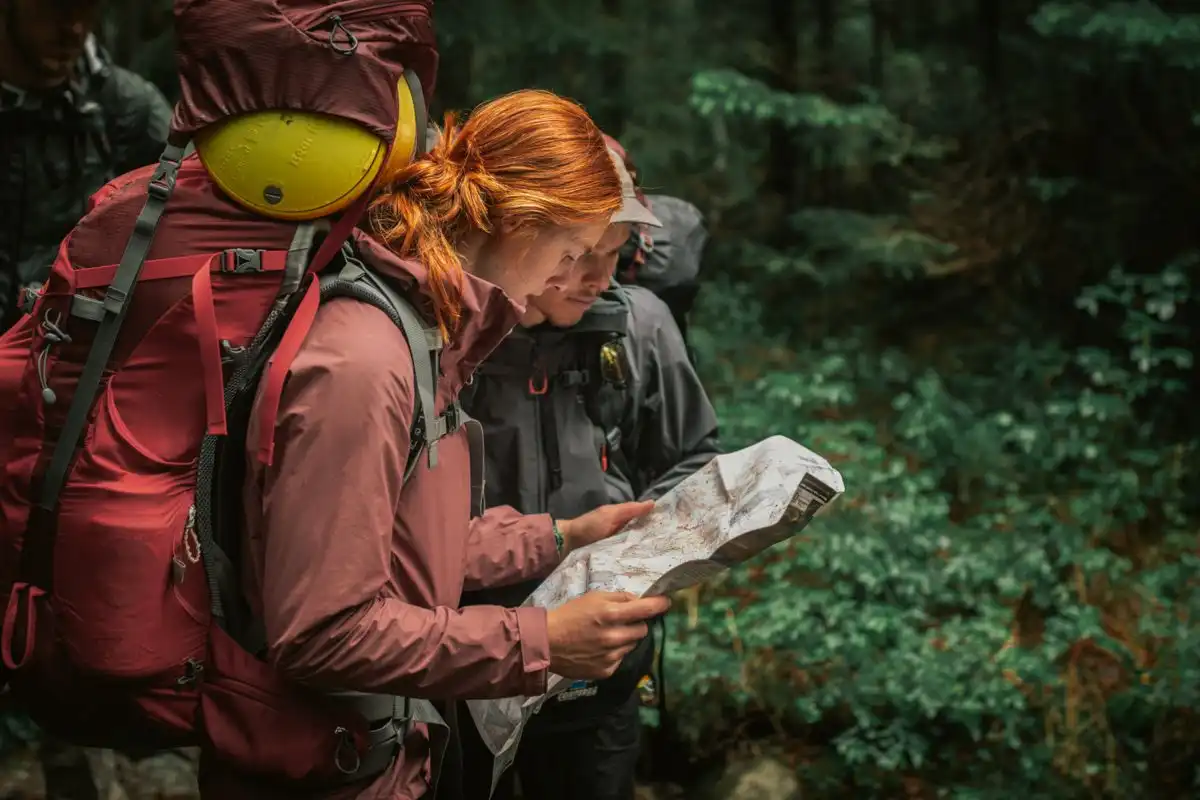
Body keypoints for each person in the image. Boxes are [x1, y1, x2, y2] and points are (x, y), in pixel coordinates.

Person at [191, 91, 674, 800]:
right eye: (573, 249)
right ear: (518, 222)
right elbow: (322, 632)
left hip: (376, 753)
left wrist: (565, 535)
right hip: (322, 767)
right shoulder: (364, 362)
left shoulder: (430, 342)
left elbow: (402, 548)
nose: (577, 276)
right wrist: (539, 642)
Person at [458, 140, 721, 800]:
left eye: (615, 253)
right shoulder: (447, 336)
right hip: (456, 667)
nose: (599, 277)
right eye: (578, 255)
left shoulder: (641, 328)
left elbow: (692, 457)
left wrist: (630, 551)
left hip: (599, 675)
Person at [0, 0, 171, 331]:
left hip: (60, 343)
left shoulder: (125, 110)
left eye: (85, 11)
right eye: (52, 10)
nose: (72, 29)